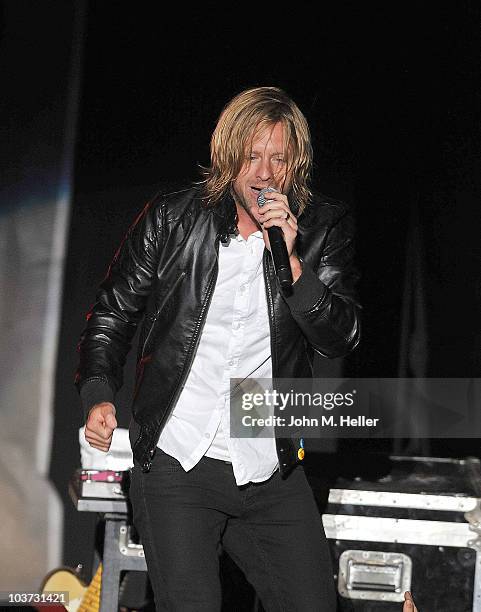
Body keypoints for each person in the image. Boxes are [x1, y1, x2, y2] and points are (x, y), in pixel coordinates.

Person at [76, 86, 361, 611]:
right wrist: (99, 392)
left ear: (295, 164)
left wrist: (295, 266)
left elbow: (339, 336)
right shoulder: (172, 220)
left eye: (278, 158)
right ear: (226, 156)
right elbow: (113, 312)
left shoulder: (323, 229)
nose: (264, 173)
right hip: (178, 461)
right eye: (251, 156)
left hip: (268, 464)